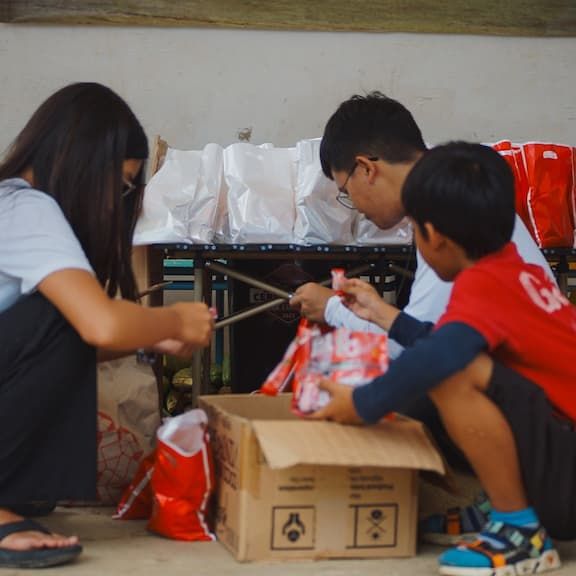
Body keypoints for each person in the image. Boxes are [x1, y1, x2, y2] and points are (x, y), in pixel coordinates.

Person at [289, 92, 556, 541]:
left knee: (434, 378)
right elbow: (439, 334)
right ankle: (502, 502)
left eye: (345, 193)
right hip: (552, 433)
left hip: (558, 463)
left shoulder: (465, 252)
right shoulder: (490, 243)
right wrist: (382, 313)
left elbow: (430, 355)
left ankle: (519, 527)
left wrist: (358, 399)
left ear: (366, 168)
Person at [0, 83, 214, 569]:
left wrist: (146, 336)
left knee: (67, 315)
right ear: (82, 162)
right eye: (119, 184)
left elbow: (54, 348)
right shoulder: (25, 207)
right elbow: (97, 323)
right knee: (70, 310)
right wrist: (175, 316)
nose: (117, 201)